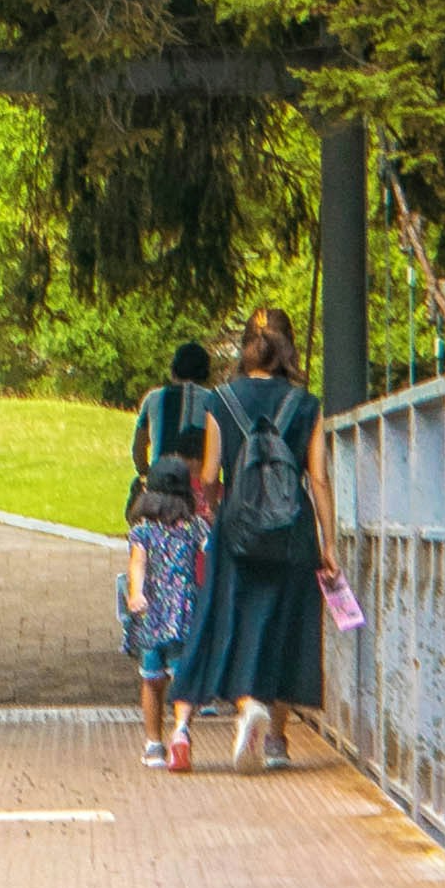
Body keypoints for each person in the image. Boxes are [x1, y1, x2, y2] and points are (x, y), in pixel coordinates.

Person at [167, 304, 339, 775]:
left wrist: (216, 504)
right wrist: (329, 543)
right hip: (292, 532)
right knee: (283, 625)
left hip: (237, 532)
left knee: (223, 618)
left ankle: (206, 720)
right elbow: (319, 479)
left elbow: (208, 473)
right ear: (288, 348)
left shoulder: (220, 399)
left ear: (247, 346)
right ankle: (275, 737)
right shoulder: (307, 404)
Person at [118, 444, 203, 765]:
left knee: (152, 680)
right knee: (182, 678)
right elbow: (211, 549)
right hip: (185, 613)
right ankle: (181, 729)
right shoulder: (193, 527)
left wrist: (136, 594)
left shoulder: (142, 531)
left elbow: (137, 564)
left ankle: (154, 743)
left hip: (151, 615)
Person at [129, 336, 214, 494]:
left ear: (173, 369)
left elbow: (138, 449)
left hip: (159, 484)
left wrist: (145, 474)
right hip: (197, 487)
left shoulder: (153, 398)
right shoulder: (213, 401)